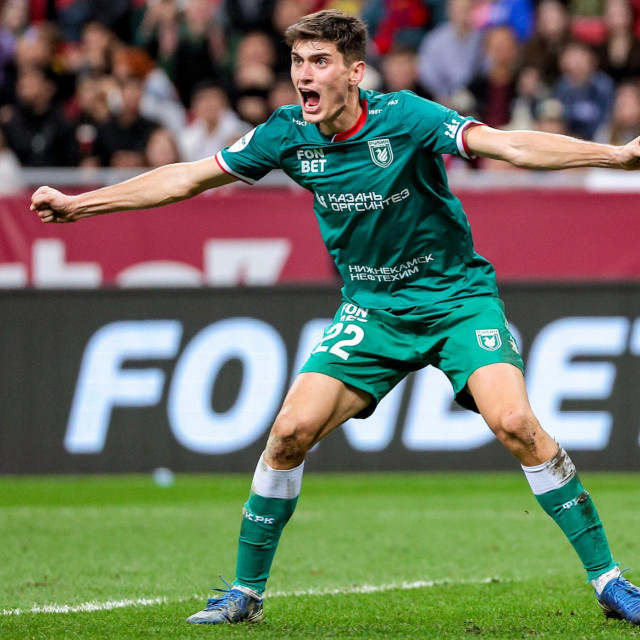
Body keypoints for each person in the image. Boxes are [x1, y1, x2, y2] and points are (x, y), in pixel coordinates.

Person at [30, 9, 640, 628]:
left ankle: (609, 581)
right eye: (298, 62)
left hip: (455, 299)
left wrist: (617, 156)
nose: (304, 75)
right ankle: (245, 593)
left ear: (354, 72)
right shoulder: (286, 132)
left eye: (319, 61)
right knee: (289, 432)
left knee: (516, 424)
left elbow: (509, 144)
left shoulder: (406, 116)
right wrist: (82, 205)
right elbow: (188, 177)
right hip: (371, 310)